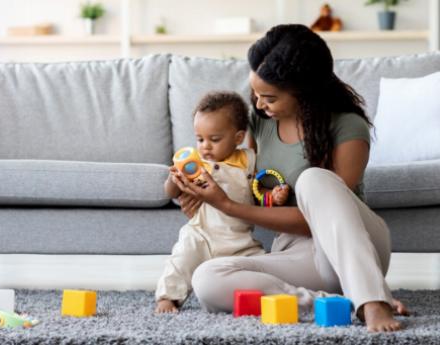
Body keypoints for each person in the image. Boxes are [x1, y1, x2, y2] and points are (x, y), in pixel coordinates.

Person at [171, 24, 409, 332]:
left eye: (269, 97)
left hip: (352, 245)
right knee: (206, 278)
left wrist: (227, 205)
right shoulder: (259, 122)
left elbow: (320, 218)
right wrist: (204, 199)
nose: (257, 105)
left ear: (304, 91)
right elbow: (255, 190)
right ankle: (337, 303)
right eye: (255, 93)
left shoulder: (348, 127)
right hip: (296, 255)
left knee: (314, 179)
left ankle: (373, 301)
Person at [155, 91, 290, 313]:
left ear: (237, 138)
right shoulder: (195, 162)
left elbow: (257, 189)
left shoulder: (248, 160)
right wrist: (174, 178)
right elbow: (170, 192)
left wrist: (272, 195)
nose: (205, 146)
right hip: (201, 234)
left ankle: (279, 294)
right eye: (200, 139)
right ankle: (167, 298)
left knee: (264, 266)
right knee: (181, 259)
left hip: (239, 239)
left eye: (214, 139)